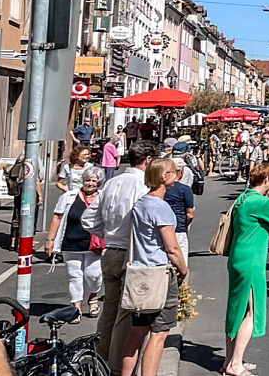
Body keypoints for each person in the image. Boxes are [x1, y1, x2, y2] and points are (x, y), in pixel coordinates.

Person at [82, 139, 159, 374]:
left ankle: (101, 358)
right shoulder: (143, 186)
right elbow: (145, 220)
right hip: (131, 253)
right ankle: (116, 368)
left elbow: (88, 219)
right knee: (126, 316)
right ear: (148, 160)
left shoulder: (113, 182)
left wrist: (109, 233)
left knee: (110, 310)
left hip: (111, 251)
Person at [119, 158, 189, 376]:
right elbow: (172, 248)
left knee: (137, 331)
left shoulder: (140, 203)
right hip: (159, 274)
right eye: (174, 172)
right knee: (159, 334)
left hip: (139, 272)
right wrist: (183, 270)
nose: (176, 175)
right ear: (165, 177)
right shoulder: (162, 207)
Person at [223, 161, 269, 376]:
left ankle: (229, 360)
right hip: (252, 260)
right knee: (250, 310)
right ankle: (235, 364)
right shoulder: (259, 201)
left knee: (236, 310)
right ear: (268, 180)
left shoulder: (243, 197)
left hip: (238, 257)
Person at [45, 167, 105, 317]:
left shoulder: (104, 197)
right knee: (74, 276)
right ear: (82, 181)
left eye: (93, 181)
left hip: (94, 245)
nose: (90, 183)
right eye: (87, 180)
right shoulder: (69, 196)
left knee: (94, 275)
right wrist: (50, 240)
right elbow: (57, 217)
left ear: (99, 183)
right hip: (71, 243)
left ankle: (93, 296)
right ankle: (76, 308)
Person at [163, 161, 196, 265]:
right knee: (181, 258)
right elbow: (190, 214)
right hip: (179, 228)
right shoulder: (185, 190)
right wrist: (185, 224)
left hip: (162, 228)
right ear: (181, 171)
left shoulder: (160, 189)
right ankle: (182, 280)